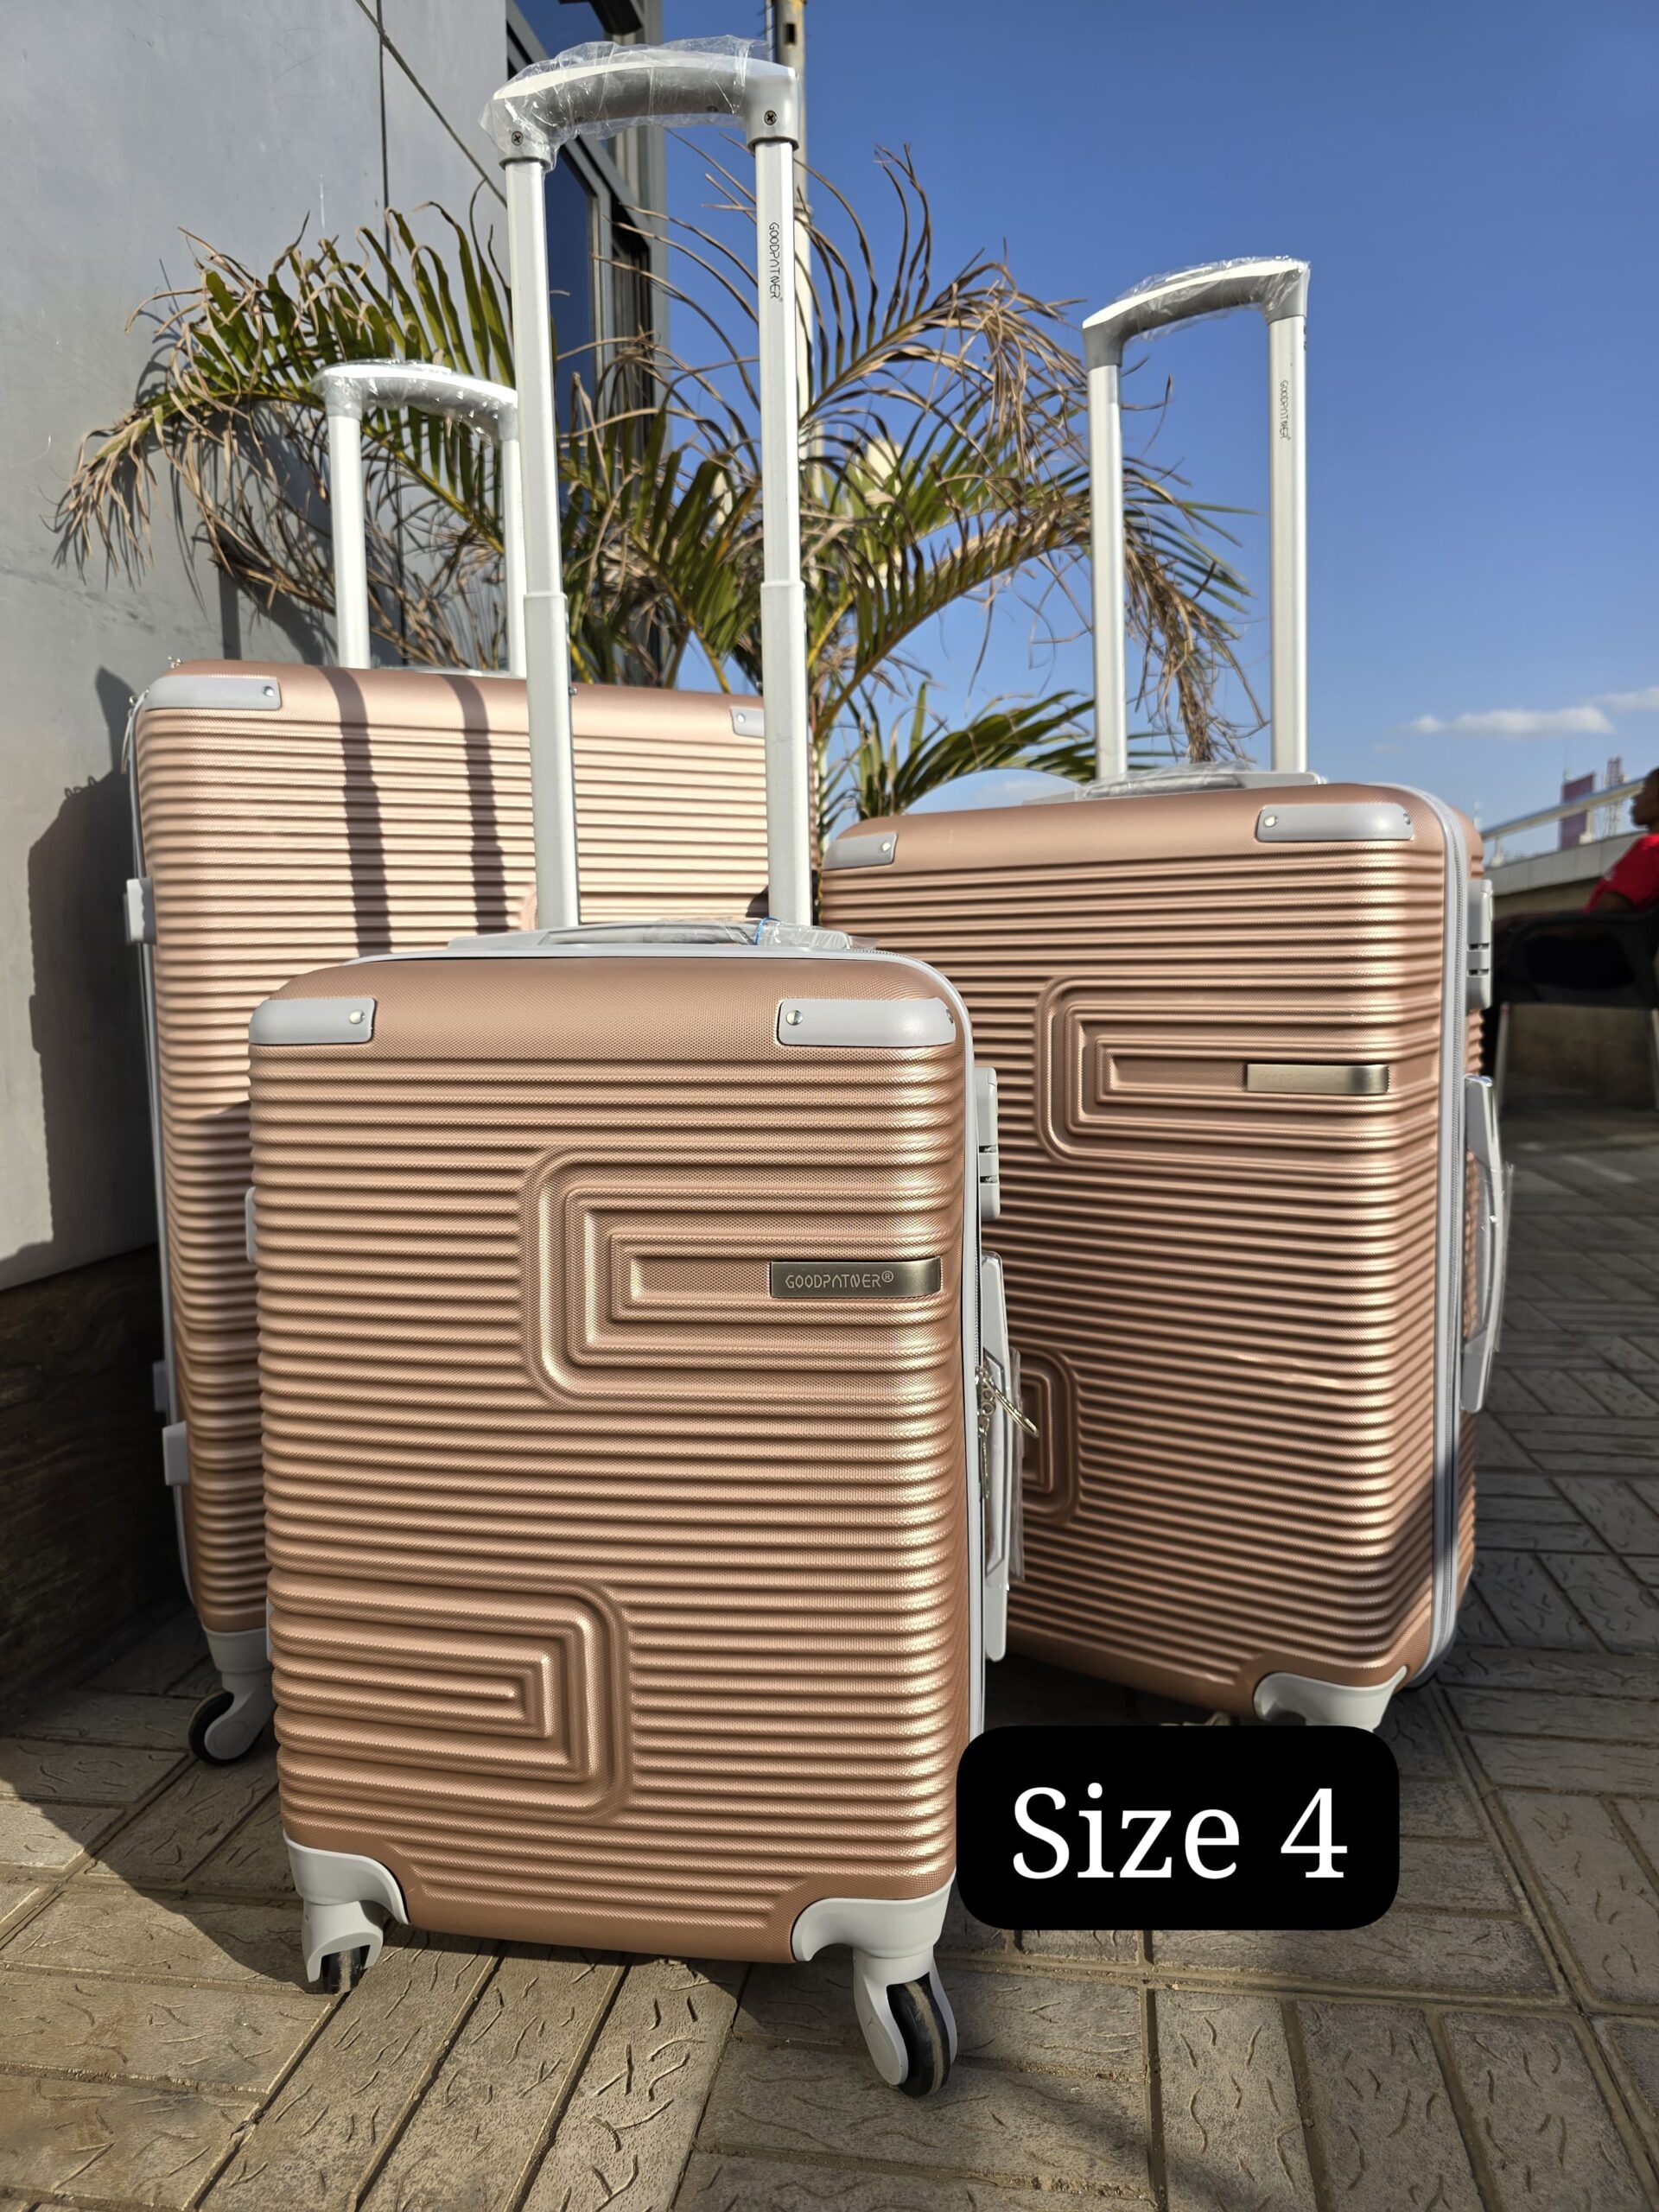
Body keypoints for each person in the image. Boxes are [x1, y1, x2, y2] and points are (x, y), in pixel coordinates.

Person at [1483, 766, 1659, 1071]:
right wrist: (1521, 921)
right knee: (1494, 955)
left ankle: (1476, 1075)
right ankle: (1478, 1075)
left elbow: (1596, 922)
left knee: (1487, 965)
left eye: (1644, 790)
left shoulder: (1651, 850)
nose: (1635, 798)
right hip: (1619, 961)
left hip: (1600, 964)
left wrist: (1520, 922)